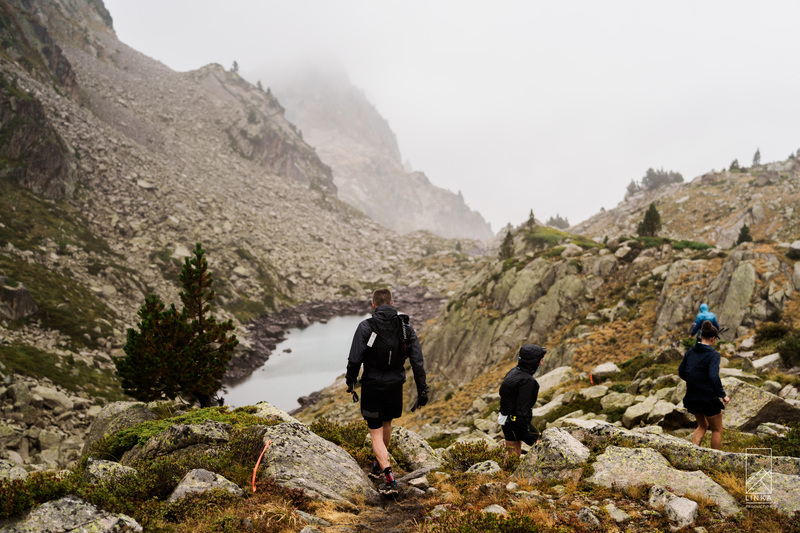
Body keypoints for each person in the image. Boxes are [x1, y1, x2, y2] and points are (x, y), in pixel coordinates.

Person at [345, 288, 428, 494]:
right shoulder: (406, 327)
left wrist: (350, 382)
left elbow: (355, 359)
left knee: (375, 433)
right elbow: (417, 362)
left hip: (373, 385)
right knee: (386, 423)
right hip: (395, 386)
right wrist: (422, 391)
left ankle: (390, 480)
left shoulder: (365, 326)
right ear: (392, 303)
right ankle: (378, 465)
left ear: (373, 304)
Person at [679, 320, 731, 450]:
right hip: (708, 398)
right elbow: (714, 376)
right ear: (713, 339)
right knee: (717, 429)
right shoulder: (713, 355)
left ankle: (691, 455)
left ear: (701, 336)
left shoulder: (690, 352)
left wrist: (695, 382)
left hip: (692, 397)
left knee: (702, 425)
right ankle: (715, 462)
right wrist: (723, 395)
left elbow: (681, 372)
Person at [498, 344, 546, 456]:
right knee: (543, 446)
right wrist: (526, 431)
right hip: (517, 422)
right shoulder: (528, 381)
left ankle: (506, 472)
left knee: (513, 456)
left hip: (505, 419)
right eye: (540, 360)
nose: (541, 363)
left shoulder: (514, 371)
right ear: (533, 361)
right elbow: (523, 409)